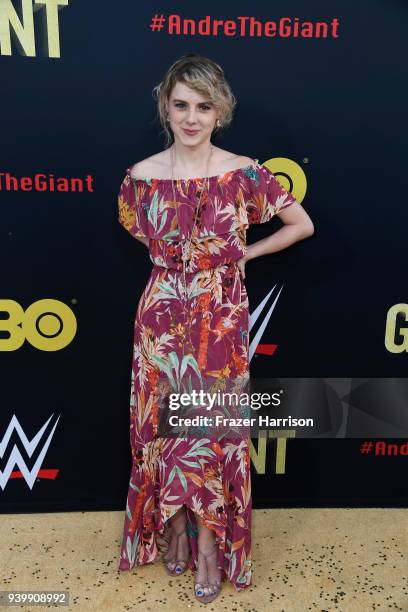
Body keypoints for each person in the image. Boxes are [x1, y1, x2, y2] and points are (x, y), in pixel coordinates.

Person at [117, 53, 314, 604]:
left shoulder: (244, 172)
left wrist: (241, 253)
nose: (191, 117)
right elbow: (141, 232)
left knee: (211, 430)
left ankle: (208, 542)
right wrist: (177, 264)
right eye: (180, 105)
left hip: (219, 319)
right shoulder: (140, 178)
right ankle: (174, 525)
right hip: (159, 320)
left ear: (220, 111)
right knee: (162, 427)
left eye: (203, 106)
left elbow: (301, 224)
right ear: (166, 107)